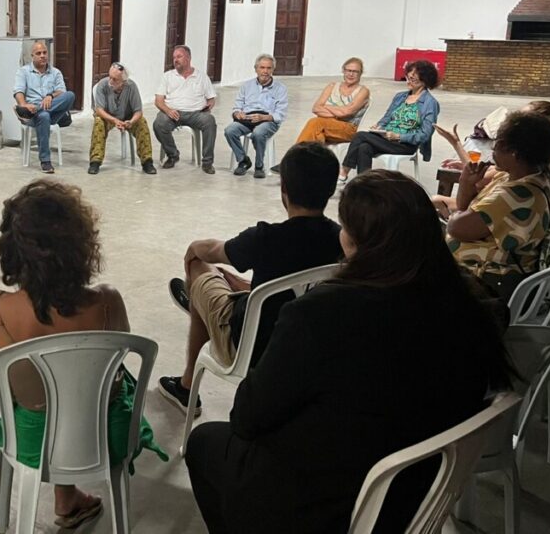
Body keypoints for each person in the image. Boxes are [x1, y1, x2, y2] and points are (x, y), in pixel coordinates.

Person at [184, 169, 511, 533]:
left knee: (206, 441)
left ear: (353, 240)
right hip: (415, 491)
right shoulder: (478, 304)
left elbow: (247, 417)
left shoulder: (320, 314)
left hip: (330, 502)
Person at [0, 180, 167, 529]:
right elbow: (120, 352)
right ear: (81, 246)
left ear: (11, 249)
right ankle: (68, 499)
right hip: (107, 437)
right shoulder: (108, 301)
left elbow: (16, 373)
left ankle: (66, 497)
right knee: (96, 380)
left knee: (48, 392)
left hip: (33, 443)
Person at [158, 143, 343, 416]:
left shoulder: (264, 238)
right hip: (309, 348)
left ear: (284, 189)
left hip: (251, 348)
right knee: (232, 282)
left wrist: (193, 248)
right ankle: (214, 302)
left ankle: (186, 388)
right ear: (331, 189)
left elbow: (211, 250)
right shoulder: (341, 241)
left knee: (200, 266)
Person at [447, 111, 550, 302]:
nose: (493, 150)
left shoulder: (515, 195)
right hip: (499, 270)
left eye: (497, 144)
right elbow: (464, 209)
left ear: (513, 152)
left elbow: (456, 228)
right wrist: (466, 184)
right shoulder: (529, 177)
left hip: (488, 283)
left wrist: (458, 212)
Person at [338, 59, 440, 184]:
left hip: (405, 144)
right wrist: (379, 126)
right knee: (364, 147)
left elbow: (425, 134)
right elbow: (387, 118)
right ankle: (365, 186)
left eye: (414, 79)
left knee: (360, 136)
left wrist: (399, 136)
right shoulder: (400, 97)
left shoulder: (430, 103)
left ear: (425, 80)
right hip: (387, 138)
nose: (409, 81)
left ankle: (344, 172)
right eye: (408, 77)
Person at [276, 58, 369, 170]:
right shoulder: (332, 86)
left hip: (348, 129)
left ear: (360, 73)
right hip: (327, 126)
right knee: (317, 135)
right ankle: (309, 168)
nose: (351, 74)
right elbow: (316, 108)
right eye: (348, 70)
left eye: (355, 71)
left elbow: (347, 112)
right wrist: (337, 112)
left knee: (315, 123)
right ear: (343, 71)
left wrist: (327, 107)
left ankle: (292, 162)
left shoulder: (363, 91)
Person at [13, 40, 75, 174]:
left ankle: (36, 110)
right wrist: (23, 105)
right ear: (32, 56)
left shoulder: (55, 72)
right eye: (39, 53)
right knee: (44, 116)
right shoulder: (23, 72)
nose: (42, 56)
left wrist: (51, 96)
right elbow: (18, 91)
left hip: (52, 111)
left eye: (45, 52)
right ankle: (45, 161)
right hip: (32, 113)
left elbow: (61, 91)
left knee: (70, 95)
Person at [154, 45, 217, 174]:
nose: (175, 60)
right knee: (159, 123)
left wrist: (208, 107)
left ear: (188, 58)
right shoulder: (167, 76)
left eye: (179, 57)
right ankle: (172, 154)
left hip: (196, 113)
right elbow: (158, 100)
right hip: (172, 113)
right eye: (174, 57)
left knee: (209, 121)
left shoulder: (201, 77)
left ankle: (207, 162)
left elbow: (211, 99)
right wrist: (168, 110)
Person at [225, 54, 288, 179]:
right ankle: (243, 160)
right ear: (256, 69)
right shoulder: (246, 86)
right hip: (248, 119)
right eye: (262, 67)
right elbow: (237, 106)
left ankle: (259, 166)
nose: (265, 71)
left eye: (269, 68)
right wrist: (238, 113)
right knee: (229, 131)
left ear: (273, 69)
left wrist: (264, 118)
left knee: (258, 133)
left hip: (268, 120)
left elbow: (280, 114)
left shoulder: (281, 89)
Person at [87, 62, 155, 175]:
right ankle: (95, 161)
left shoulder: (131, 86)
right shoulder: (102, 85)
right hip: (108, 116)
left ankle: (147, 161)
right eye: (110, 77)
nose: (110, 81)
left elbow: (138, 111)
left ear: (123, 82)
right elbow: (99, 110)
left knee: (142, 122)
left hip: (127, 117)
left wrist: (131, 121)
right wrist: (114, 120)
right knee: (99, 122)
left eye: (115, 79)